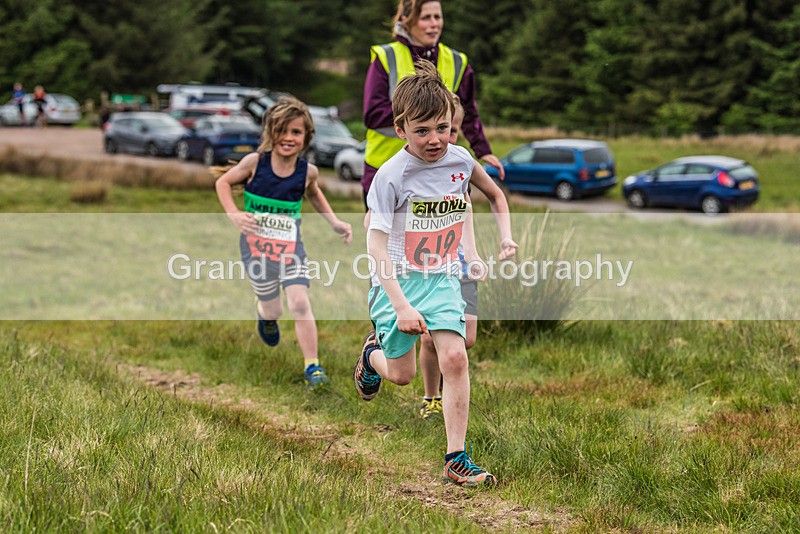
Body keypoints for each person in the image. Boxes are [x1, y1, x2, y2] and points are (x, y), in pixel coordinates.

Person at [354, 60, 496, 487]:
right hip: (396, 282)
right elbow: (376, 245)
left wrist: (471, 254)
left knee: (455, 356)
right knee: (402, 375)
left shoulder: (460, 160)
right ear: (400, 129)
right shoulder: (390, 177)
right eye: (422, 131)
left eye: (442, 128)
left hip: (442, 277)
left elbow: (468, 205)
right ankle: (371, 356)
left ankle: (456, 457)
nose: (435, 139)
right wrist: (400, 306)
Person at [215, 96, 353, 389]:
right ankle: (265, 316)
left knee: (300, 303)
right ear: (270, 132)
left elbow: (314, 193)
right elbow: (222, 182)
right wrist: (234, 215)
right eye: (282, 131)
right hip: (255, 249)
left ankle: (312, 366)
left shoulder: (308, 172)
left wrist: (335, 222)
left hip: (291, 248)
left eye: (296, 132)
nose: (288, 138)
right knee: (274, 310)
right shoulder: (255, 163)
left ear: (307, 136)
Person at [417, 94, 517, 419]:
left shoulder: (461, 162)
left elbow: (493, 198)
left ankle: (448, 372)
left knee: (467, 338)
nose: (444, 138)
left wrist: (505, 239)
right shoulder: (413, 165)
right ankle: (432, 397)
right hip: (428, 265)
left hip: (461, 262)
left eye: (451, 130)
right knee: (431, 338)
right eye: (433, 130)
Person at [361, 0, 505, 209]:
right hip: (384, 166)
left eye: (437, 17)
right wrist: (419, 115)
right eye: (425, 18)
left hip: (440, 169)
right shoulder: (386, 56)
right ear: (407, 21)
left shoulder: (457, 61)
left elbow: (468, 111)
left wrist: (482, 150)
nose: (434, 24)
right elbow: (372, 114)